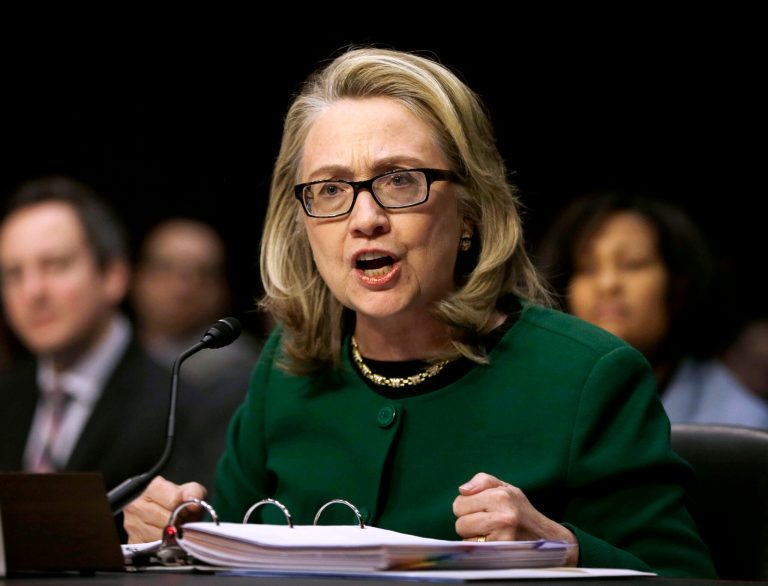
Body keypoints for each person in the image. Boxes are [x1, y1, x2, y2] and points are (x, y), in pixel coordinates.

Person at [123, 47, 716, 577]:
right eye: (330, 190)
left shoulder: (589, 376)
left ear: (472, 212)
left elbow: (683, 578)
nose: (364, 218)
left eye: (400, 181)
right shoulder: (287, 366)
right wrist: (179, 538)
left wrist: (566, 550)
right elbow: (234, 550)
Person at [0, 176, 225, 518]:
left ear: (113, 276)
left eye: (56, 265)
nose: (32, 291)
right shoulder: (7, 395)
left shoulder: (183, 409)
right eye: (13, 274)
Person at [535, 191, 768, 428]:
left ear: (678, 285)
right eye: (587, 268)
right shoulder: (539, 405)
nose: (607, 284)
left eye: (632, 264)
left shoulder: (739, 425)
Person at [130, 216, 262, 394]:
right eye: (165, 268)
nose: (183, 289)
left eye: (203, 274)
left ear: (223, 290)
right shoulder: (106, 354)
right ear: (137, 278)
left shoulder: (237, 368)